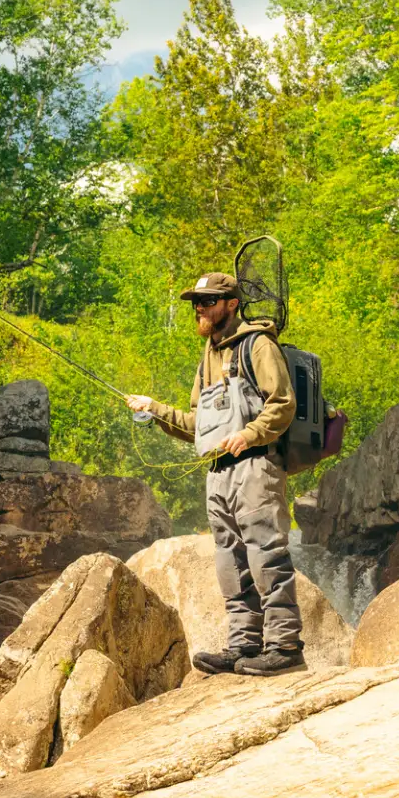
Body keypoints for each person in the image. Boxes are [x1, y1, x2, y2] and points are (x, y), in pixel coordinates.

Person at [125, 272, 303, 676]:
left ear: (231, 304)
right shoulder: (207, 355)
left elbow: (283, 403)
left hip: (257, 466)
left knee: (266, 554)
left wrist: (250, 434)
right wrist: (153, 409)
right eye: (195, 303)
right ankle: (243, 645)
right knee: (230, 561)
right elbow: (197, 424)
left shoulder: (257, 345)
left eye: (207, 301)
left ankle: (285, 646)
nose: (199, 309)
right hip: (218, 474)